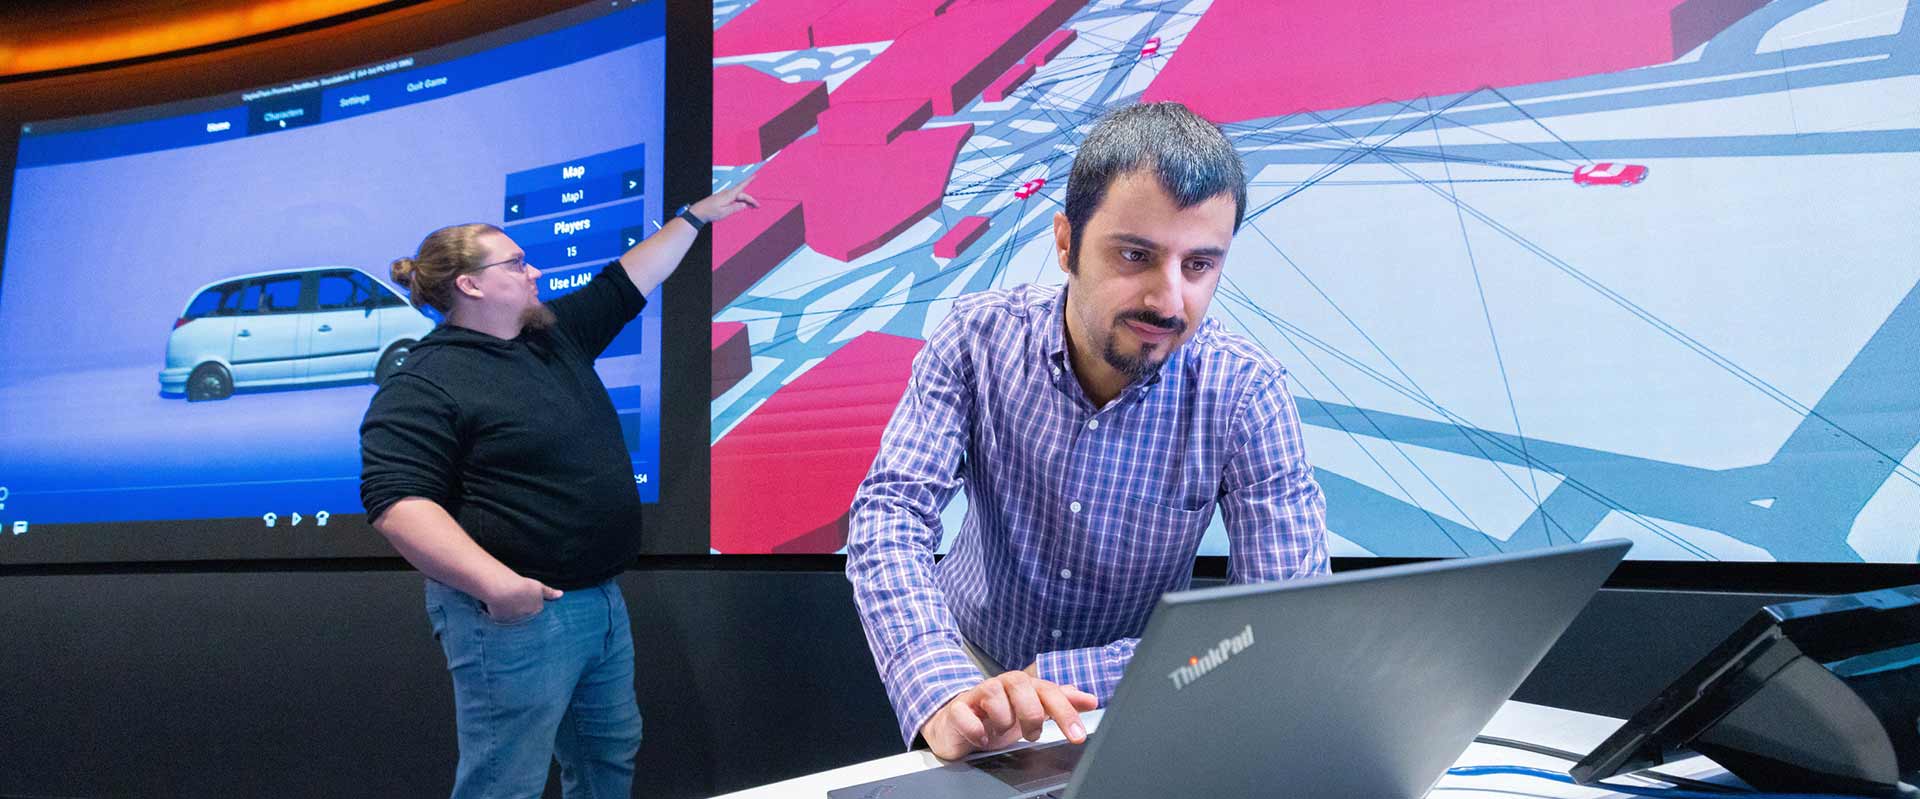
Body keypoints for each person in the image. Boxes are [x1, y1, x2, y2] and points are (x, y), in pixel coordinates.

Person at [846, 102, 1330, 760]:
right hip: (970, 675)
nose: (1168, 300)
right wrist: (939, 686)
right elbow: (890, 512)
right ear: (1066, 243)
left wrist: (1065, 678)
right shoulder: (976, 338)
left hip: (1142, 693)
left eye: (1198, 265)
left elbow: (1277, 619)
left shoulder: (1247, 392)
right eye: (1135, 255)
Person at [359, 180, 756, 798]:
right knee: (504, 783)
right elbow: (398, 503)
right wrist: (500, 587)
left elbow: (625, 282)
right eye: (516, 263)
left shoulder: (551, 336)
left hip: (598, 600)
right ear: (470, 285)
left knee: (607, 759)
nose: (534, 271)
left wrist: (695, 217)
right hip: (515, 617)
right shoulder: (426, 381)